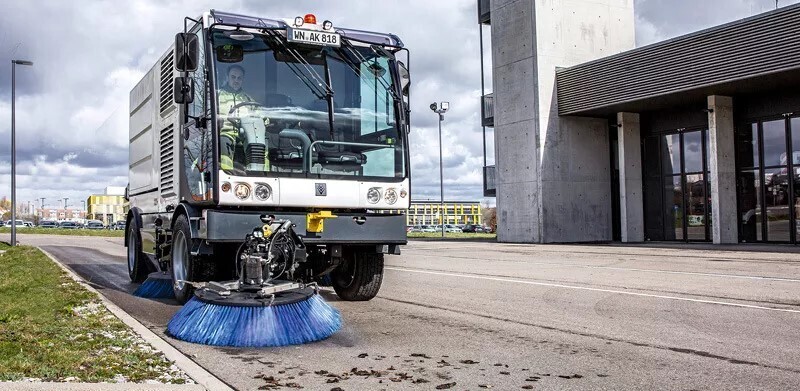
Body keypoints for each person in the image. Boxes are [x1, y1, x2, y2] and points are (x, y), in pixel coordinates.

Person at [218, 65, 263, 171]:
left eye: (239, 78)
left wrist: (265, 120)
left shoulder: (247, 98)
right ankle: (226, 173)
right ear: (227, 77)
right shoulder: (217, 96)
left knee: (260, 144)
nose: (236, 80)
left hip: (246, 133)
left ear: (243, 80)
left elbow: (259, 114)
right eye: (233, 77)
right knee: (223, 141)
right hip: (225, 132)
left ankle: (258, 173)